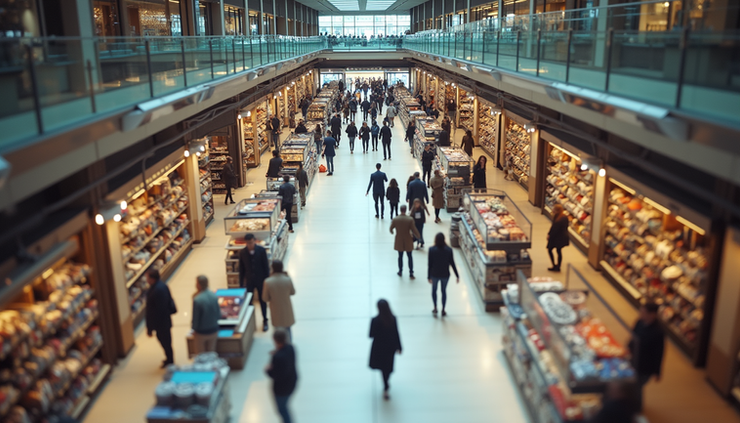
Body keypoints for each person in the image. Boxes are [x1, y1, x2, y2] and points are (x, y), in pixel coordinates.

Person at [628, 302, 664, 412]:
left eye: (643, 312)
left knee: (637, 386)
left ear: (652, 314)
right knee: (633, 385)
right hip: (634, 360)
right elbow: (632, 337)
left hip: (645, 366)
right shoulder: (639, 322)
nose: (640, 314)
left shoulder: (658, 332)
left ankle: (637, 409)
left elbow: (659, 353)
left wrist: (657, 372)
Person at [369, 299, 402, 400]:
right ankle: (386, 385)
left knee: (382, 367)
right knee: (388, 367)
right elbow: (396, 333)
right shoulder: (393, 319)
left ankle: (386, 386)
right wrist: (399, 347)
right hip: (390, 347)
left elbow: (371, 335)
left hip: (379, 347)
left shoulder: (375, 320)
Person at [239, 233, 271, 331]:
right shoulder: (242, 253)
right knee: (249, 301)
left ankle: (265, 320)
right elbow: (241, 269)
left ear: (255, 241)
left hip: (261, 280)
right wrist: (241, 284)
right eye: (248, 243)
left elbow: (266, 267)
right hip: (250, 281)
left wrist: (267, 281)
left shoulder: (261, 251)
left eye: (251, 242)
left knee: (263, 301)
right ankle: (250, 323)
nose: (250, 245)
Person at [145, 269, 176, 367]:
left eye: (147, 277)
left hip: (161, 323)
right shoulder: (162, 286)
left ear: (152, 278)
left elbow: (156, 311)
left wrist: (150, 327)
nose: (146, 280)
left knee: (165, 341)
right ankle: (169, 359)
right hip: (164, 321)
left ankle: (170, 361)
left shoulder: (156, 290)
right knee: (165, 341)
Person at [265, 329, 298, 423]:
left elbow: (275, 375)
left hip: (281, 389)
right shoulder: (291, 348)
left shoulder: (277, 358)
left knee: (282, 409)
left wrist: (267, 370)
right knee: (285, 406)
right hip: (292, 382)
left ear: (275, 340)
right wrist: (277, 352)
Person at [427, 233, 459, 316]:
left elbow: (429, 264)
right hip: (445, 274)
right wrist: (457, 275)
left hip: (435, 274)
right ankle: (443, 309)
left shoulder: (431, 250)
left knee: (434, 290)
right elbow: (452, 263)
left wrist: (428, 276)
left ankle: (435, 307)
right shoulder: (448, 250)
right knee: (443, 291)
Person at [263, 260, 296, 337]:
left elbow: (265, 298)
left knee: (278, 332)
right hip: (286, 308)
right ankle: (288, 346)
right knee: (288, 329)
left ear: (272, 268)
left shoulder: (268, 282)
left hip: (275, 310)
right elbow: (293, 292)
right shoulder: (287, 279)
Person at [191, 275, 220, 354]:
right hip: (214, 330)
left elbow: (196, 318)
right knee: (211, 354)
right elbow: (218, 314)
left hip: (201, 332)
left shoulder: (197, 299)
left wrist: (194, 329)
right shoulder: (214, 296)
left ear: (199, 284)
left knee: (201, 355)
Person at [390, 204, 420, 278]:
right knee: (409, 256)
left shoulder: (396, 219)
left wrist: (392, 232)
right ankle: (411, 272)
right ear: (405, 210)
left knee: (400, 256)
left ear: (400, 210)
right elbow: (414, 229)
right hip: (408, 240)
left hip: (399, 240)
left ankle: (400, 271)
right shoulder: (410, 219)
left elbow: (391, 228)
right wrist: (418, 236)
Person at [546, 203, 569, 272]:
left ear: (557, 210)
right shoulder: (564, 217)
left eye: (554, 209)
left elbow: (554, 228)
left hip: (557, 237)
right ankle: (558, 266)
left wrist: (549, 235)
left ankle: (554, 265)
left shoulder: (559, 219)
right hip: (562, 237)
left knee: (550, 249)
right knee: (559, 251)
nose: (552, 210)